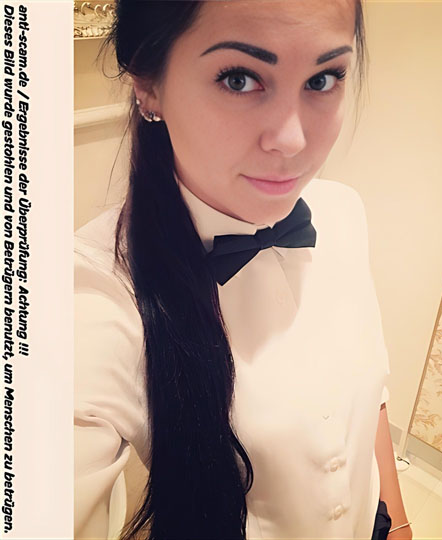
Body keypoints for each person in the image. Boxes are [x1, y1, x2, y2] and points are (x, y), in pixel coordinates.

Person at [74, 1, 413, 539]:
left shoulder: (343, 212)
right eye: (239, 79)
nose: (293, 140)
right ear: (148, 84)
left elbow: (371, 396)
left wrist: (397, 523)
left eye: (323, 78)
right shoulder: (92, 291)